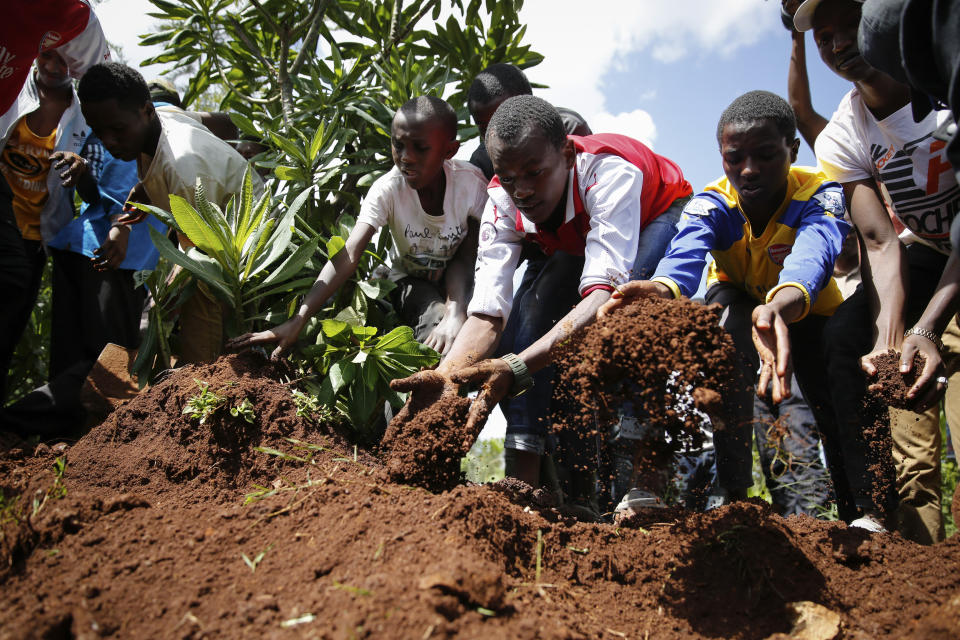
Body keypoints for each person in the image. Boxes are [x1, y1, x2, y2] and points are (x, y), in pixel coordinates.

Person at [392, 95, 693, 489]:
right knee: (532, 315)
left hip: (657, 210)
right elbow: (487, 312)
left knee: (628, 312)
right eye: (510, 177)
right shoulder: (502, 202)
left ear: (567, 154)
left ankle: (646, 478)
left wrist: (515, 366)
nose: (523, 191)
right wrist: (447, 374)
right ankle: (528, 480)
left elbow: (603, 296)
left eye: (534, 172)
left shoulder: (609, 177)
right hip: (582, 238)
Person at [599, 90, 862, 523]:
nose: (749, 170)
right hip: (737, 302)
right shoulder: (713, 203)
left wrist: (781, 303)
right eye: (735, 157)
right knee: (726, 337)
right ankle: (735, 495)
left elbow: (814, 253)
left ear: (792, 151)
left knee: (814, 403)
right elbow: (686, 252)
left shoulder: (820, 194)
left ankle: (845, 514)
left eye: (765, 155)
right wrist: (663, 289)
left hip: (805, 311)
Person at [796, 0, 960, 541]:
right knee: (849, 335)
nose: (840, 42)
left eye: (851, 24)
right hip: (933, 251)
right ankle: (888, 530)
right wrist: (892, 340)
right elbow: (879, 240)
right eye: (824, 37)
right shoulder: (846, 131)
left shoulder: (946, 86)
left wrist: (927, 327)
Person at [227, 96, 487, 358]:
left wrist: (456, 311)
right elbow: (349, 254)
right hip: (409, 281)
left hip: (463, 281)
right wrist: (300, 318)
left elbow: (468, 257)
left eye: (420, 148)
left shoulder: (470, 185)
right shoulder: (388, 190)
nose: (406, 157)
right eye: (398, 145)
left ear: (449, 151)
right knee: (435, 325)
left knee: (475, 333)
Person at [76, 62, 261, 366]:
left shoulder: (185, 172)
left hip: (231, 254)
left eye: (117, 130)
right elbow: (221, 123)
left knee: (201, 359)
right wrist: (144, 189)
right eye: (99, 132)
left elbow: (203, 261)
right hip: (207, 237)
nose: (108, 142)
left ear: (147, 110)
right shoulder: (164, 118)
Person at [0, 0, 108, 403]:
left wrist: (82, 170)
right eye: (47, 54)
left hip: (35, 238)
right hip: (3, 221)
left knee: (10, 326)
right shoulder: (10, 94)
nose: (54, 63)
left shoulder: (85, 120)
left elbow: (94, 187)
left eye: (64, 58)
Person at [467, 63, 591, 181]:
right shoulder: (482, 163)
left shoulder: (570, 129)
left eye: (510, 121)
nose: (499, 135)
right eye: (485, 129)